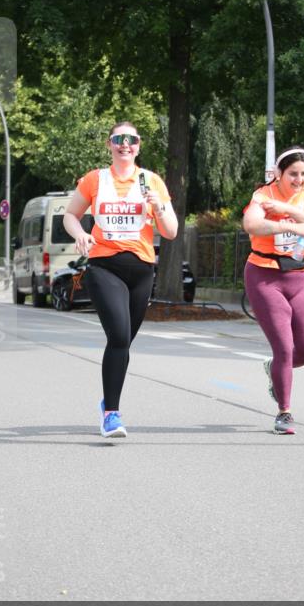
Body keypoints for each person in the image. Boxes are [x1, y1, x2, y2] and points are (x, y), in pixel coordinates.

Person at [63, 122, 178, 438]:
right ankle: (112, 414)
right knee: (118, 336)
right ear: (109, 144)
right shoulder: (94, 180)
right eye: (119, 139)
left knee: (125, 341)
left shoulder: (151, 181)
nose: (125, 145)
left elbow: (171, 231)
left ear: (138, 146)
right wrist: (81, 234)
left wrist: (159, 207)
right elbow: (70, 215)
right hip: (104, 267)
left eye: (131, 140)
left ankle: (107, 402)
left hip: (141, 270)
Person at [242, 148, 304, 435]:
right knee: (283, 347)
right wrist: (282, 224)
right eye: (293, 174)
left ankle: (274, 368)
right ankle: (284, 412)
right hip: (265, 276)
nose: (299, 180)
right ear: (279, 173)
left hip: (300, 276)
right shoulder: (263, 196)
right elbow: (251, 224)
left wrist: (290, 211)